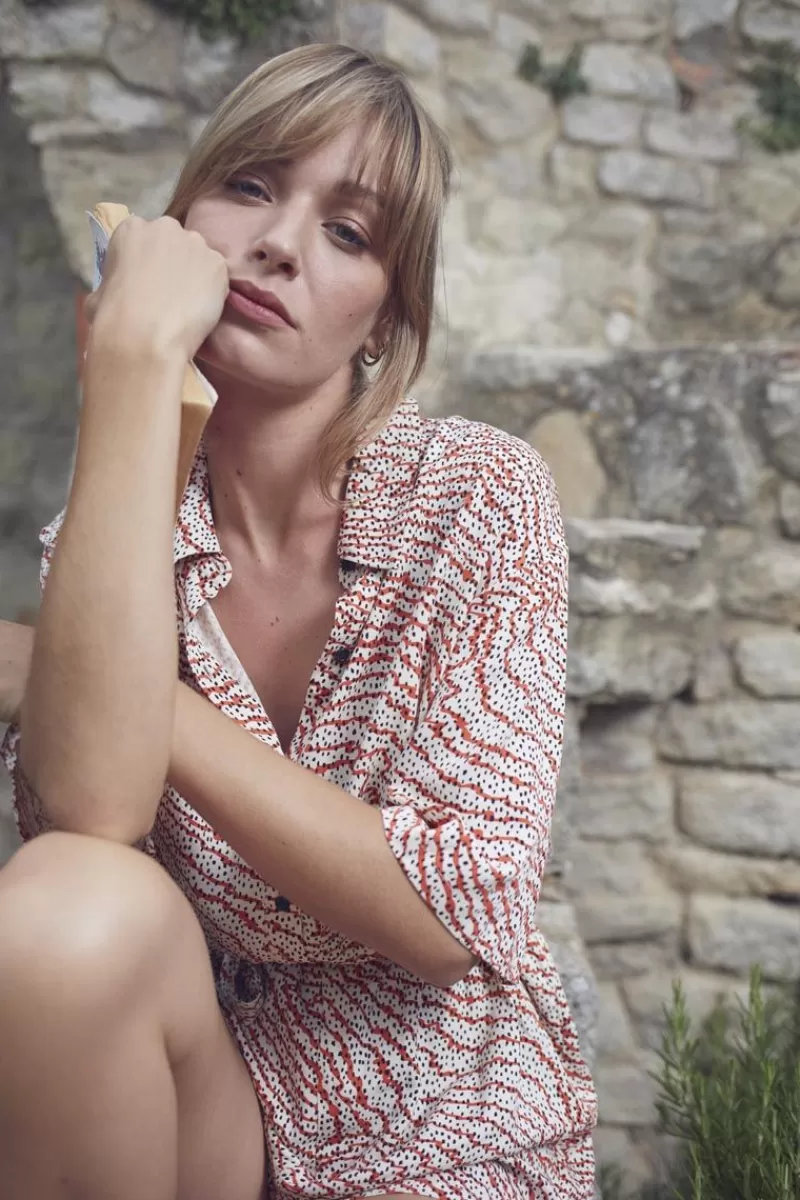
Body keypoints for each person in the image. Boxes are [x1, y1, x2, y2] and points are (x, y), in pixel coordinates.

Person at [0, 42, 597, 1200]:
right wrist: (130, 366)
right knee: (63, 912)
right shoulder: (124, 510)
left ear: (384, 314)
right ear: (170, 234)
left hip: (444, 1133)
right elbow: (82, 814)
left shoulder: (479, 496)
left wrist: (109, 688)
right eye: (251, 186)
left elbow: (450, 910)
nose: (277, 243)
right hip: (206, 1111)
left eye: (347, 233)